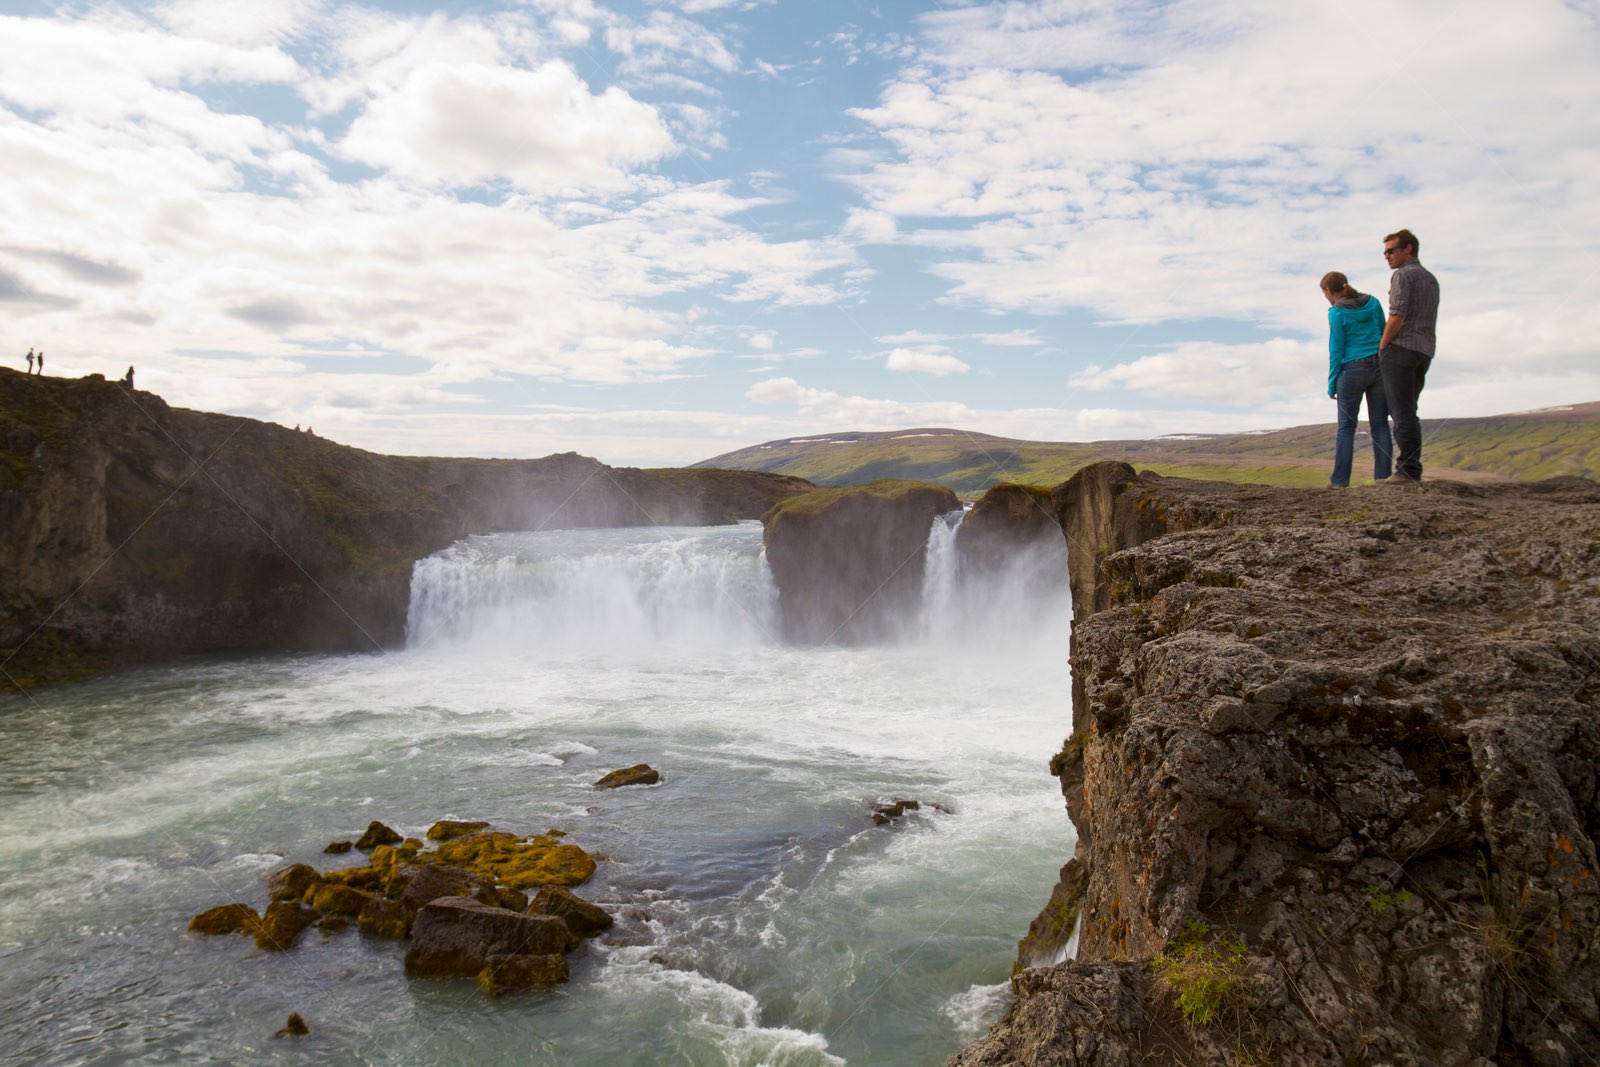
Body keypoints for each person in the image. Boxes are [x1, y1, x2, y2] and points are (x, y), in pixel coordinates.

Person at [1378, 229, 1440, 484]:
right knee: (1409, 409)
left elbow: (1397, 314)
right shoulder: (1430, 278)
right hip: (1424, 349)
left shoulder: (1403, 275)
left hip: (1401, 348)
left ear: (1409, 249)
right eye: (1385, 252)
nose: (1387, 257)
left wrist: (1383, 345)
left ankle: (1407, 470)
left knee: (1401, 411)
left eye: (1391, 251)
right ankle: (1411, 468)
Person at [1321, 271, 1392, 486]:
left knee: (1346, 428)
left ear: (1328, 291)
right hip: (1378, 366)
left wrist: (1332, 382)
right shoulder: (1373, 303)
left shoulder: (1336, 313)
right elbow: (1384, 331)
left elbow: (1336, 349)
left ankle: (1340, 481)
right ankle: (1383, 478)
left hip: (1351, 370)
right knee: (1380, 425)